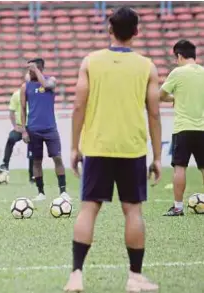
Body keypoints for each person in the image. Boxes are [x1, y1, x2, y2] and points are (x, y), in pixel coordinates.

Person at [63, 7, 161, 292]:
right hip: (131, 148)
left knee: (89, 209)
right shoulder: (147, 66)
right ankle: (134, 277)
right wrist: (157, 156)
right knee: (133, 212)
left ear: (109, 30)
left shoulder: (91, 62)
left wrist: (74, 147)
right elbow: (154, 113)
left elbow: (78, 105)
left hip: (97, 146)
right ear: (137, 32)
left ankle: (76, 275)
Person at [160, 39, 204, 216]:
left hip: (183, 129)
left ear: (179, 55)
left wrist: (174, 98)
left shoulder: (177, 73)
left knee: (180, 167)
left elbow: (161, 95)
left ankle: (178, 207)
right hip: (202, 128)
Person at [20, 58, 69, 202]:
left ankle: (63, 191)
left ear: (39, 68)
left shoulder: (51, 80)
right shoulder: (25, 87)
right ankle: (41, 192)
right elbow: (22, 109)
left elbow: (47, 85)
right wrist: (24, 130)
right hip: (33, 129)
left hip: (50, 128)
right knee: (36, 161)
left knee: (57, 158)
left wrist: (35, 71)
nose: (29, 72)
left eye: (32, 69)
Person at [0, 74, 34, 184]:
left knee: (32, 150)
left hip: (32, 126)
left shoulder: (35, 95)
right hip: (20, 126)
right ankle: (5, 164)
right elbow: (12, 111)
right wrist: (16, 126)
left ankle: (32, 176)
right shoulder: (17, 95)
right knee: (11, 138)